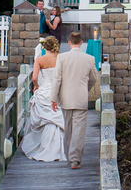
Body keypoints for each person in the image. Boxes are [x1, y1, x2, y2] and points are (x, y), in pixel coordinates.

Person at [49, 31, 100, 170]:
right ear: (81, 43)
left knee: (68, 129)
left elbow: (57, 79)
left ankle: (68, 156)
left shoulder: (62, 58)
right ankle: (75, 160)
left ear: (69, 43)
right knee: (79, 131)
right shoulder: (89, 59)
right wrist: (86, 89)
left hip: (65, 98)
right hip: (80, 99)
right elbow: (94, 78)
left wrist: (53, 98)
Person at [23, 36, 66, 161]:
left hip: (45, 91)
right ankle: (57, 148)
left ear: (44, 47)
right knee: (56, 118)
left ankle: (44, 146)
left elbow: (35, 78)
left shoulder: (40, 60)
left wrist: (36, 87)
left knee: (46, 119)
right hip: (58, 91)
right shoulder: (61, 59)